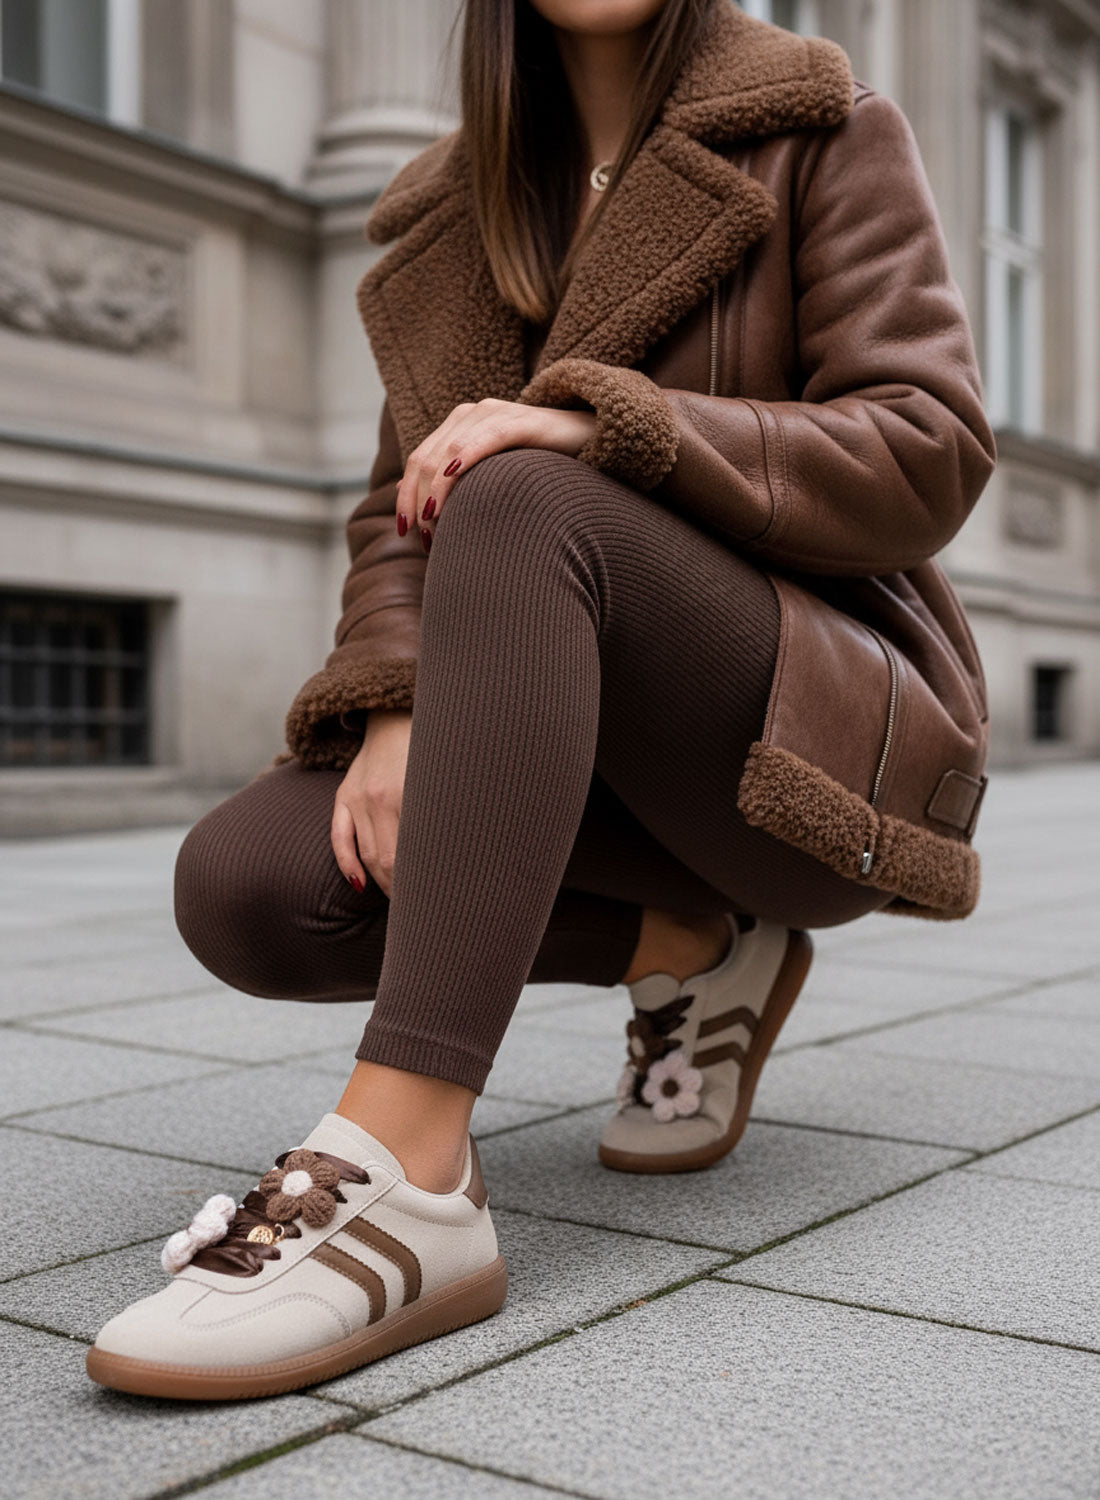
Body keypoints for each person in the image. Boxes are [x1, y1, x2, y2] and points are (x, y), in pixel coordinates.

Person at [86, 0, 996, 1400]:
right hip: (559, 726)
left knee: (525, 491)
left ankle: (410, 1174)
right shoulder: (462, 204)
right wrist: (396, 704)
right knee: (255, 883)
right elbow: (407, 500)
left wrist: (615, 425)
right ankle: (690, 941)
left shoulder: (820, 127)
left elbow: (927, 445)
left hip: (801, 730)